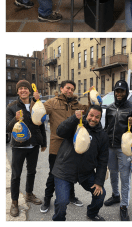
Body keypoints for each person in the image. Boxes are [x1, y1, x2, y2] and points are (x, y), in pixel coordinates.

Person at [36, 80, 91, 213]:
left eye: (72, 89)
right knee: (53, 174)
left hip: (72, 146)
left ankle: (71, 196)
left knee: (71, 173)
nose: (69, 91)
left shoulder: (77, 104)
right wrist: (35, 100)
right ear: (61, 89)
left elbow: (89, 111)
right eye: (67, 88)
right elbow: (39, 111)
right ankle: (47, 200)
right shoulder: (52, 102)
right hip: (56, 146)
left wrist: (91, 96)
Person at [52, 106, 109, 221]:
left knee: (100, 194)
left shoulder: (102, 135)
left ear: (100, 118)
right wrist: (74, 118)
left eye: (97, 117)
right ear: (86, 114)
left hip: (86, 173)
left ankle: (92, 213)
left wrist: (99, 182)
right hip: (64, 170)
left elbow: (103, 160)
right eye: (91, 115)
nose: (93, 119)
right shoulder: (76, 125)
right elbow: (60, 131)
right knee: (62, 202)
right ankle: (58, 220)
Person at [6, 80, 47, 217]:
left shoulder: (36, 104)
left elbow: (41, 124)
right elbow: (7, 128)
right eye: (21, 88)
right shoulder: (12, 107)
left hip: (34, 145)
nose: (23, 90)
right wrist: (15, 119)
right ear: (18, 91)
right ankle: (14, 202)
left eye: (26, 88)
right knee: (16, 175)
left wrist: (43, 143)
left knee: (31, 172)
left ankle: (29, 194)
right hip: (18, 146)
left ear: (30, 91)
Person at [103, 80, 132, 221]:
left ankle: (124, 205)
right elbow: (106, 127)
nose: (119, 93)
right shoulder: (110, 108)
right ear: (114, 92)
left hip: (124, 148)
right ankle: (115, 195)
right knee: (113, 172)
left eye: (122, 91)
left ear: (126, 92)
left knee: (125, 176)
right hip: (110, 147)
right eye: (117, 91)